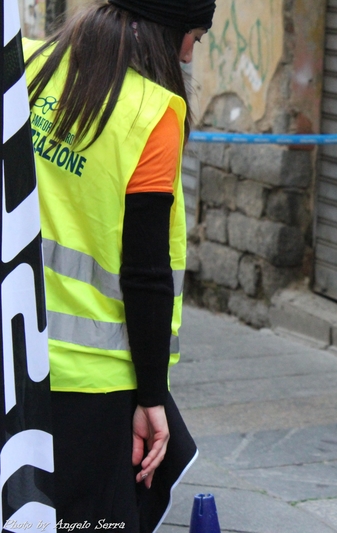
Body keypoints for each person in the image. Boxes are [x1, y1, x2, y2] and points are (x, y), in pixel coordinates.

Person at [23, 0, 214, 528]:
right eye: (195, 39)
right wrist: (153, 396)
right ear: (171, 33)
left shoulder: (29, 64)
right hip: (91, 379)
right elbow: (146, 273)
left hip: (12, 356)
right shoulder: (150, 112)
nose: (191, 55)